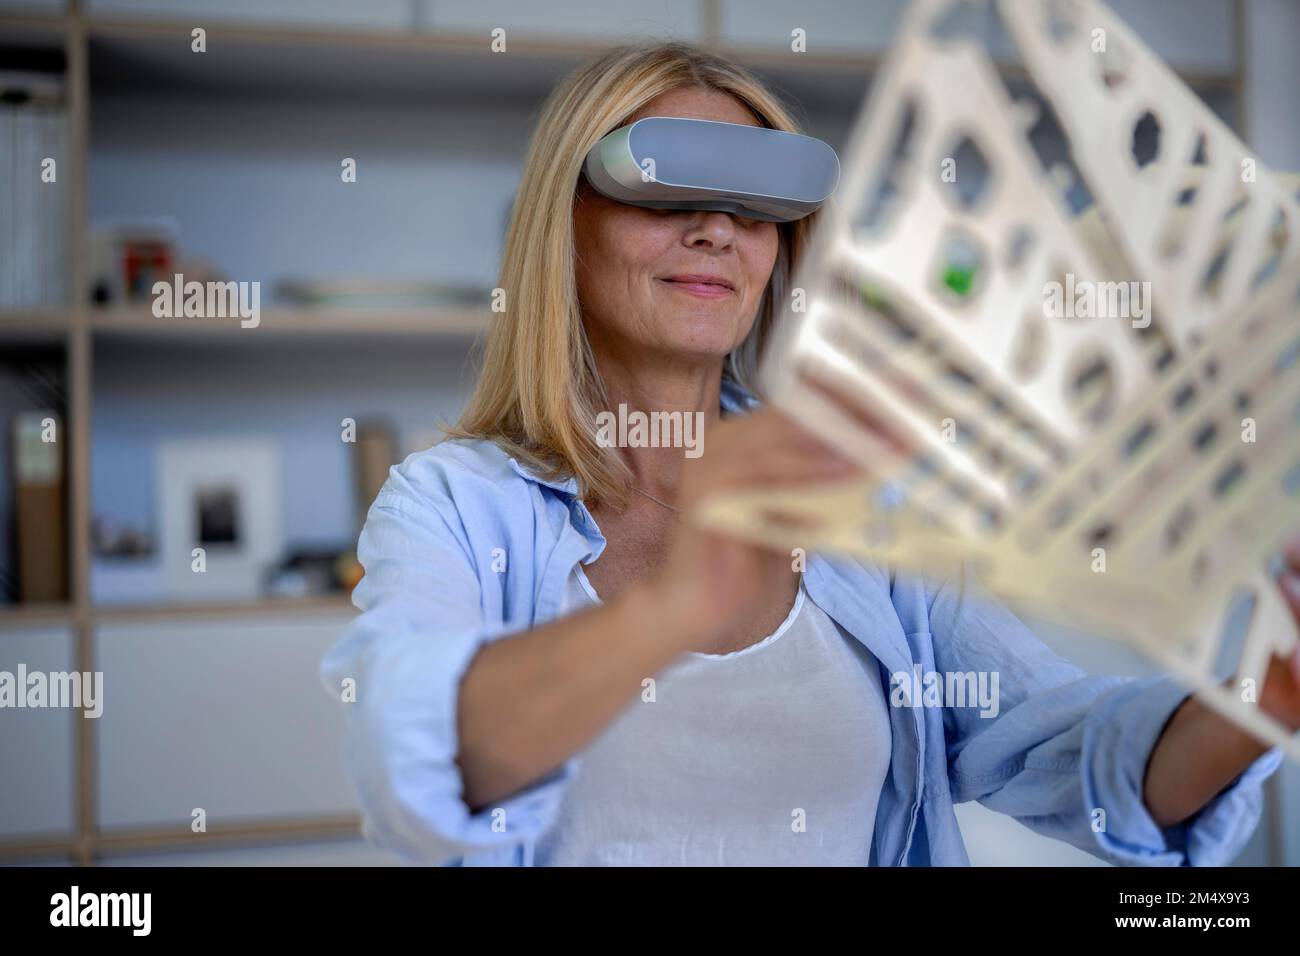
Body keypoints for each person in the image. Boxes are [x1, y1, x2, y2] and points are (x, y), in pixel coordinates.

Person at [320, 41, 1300, 867]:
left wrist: (1261, 703)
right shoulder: (450, 506)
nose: (716, 231)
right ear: (560, 224)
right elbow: (415, 760)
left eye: (753, 207)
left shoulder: (862, 508)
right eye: (667, 192)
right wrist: (676, 606)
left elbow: (1073, 755)